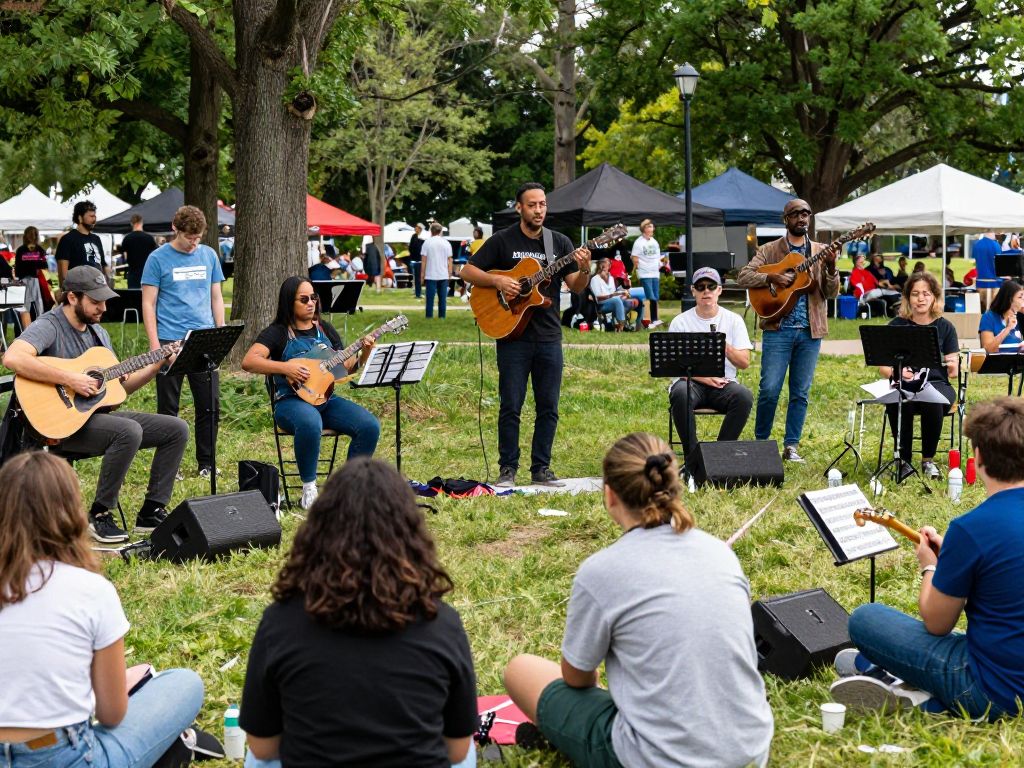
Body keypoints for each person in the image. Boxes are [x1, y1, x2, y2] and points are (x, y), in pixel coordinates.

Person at [503, 433, 774, 768]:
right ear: (674, 487)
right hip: (750, 748)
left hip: (658, 758)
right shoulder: (721, 553)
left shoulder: (601, 571)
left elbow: (578, 678)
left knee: (520, 669)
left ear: (609, 495)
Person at [239, 458, 477, 768]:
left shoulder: (280, 620)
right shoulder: (442, 622)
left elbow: (262, 746)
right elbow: (457, 750)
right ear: (410, 533)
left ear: (318, 530)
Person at [0, 452, 204, 766]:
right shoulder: (91, 590)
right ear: (71, 511)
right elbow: (111, 715)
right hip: (64, 753)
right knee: (184, 683)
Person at [831, 397, 1024, 719]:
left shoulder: (971, 529)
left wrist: (931, 566)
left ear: (977, 456)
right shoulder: (971, 535)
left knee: (866, 619)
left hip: (992, 693)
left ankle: (910, 689)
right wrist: (956, 558)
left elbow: (937, 624)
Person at [2, 265, 189, 544]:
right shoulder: (49, 325)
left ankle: (151, 512)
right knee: (128, 431)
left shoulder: (98, 334)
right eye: (95, 301)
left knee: (176, 428)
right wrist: (71, 379)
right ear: (72, 297)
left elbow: (117, 389)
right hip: (54, 426)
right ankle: (100, 514)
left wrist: (155, 364)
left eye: (105, 300)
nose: (103, 307)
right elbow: (13, 358)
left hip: (89, 419)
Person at [462, 181, 592, 488]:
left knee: (549, 406)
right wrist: (497, 281)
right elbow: (467, 271)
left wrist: (585, 268)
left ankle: (541, 468)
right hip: (512, 336)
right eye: (532, 205)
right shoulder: (502, 240)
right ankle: (507, 468)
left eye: (542, 204)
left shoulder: (559, 242)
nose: (538, 210)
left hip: (549, 336)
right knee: (511, 405)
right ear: (519, 208)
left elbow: (575, 286)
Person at [241, 276, 380, 510]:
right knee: (309, 422)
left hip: (326, 399)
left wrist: (364, 352)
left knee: (369, 426)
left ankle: (350, 489)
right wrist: (285, 368)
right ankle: (309, 490)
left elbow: (344, 368)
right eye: (303, 299)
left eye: (313, 298)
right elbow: (249, 361)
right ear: (289, 302)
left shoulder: (324, 329)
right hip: (290, 402)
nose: (311, 303)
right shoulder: (277, 333)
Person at [736, 198, 840, 462]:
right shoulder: (770, 250)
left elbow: (831, 293)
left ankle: (791, 446)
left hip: (810, 331)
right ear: (786, 219)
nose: (801, 218)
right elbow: (743, 276)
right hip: (778, 328)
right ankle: (762, 443)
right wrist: (771, 277)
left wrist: (831, 266)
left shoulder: (820, 251)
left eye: (806, 214)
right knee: (770, 389)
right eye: (795, 214)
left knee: (800, 392)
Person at [142, 205, 225, 479]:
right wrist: (155, 346)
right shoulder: (157, 259)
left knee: (209, 405)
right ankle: (170, 465)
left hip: (203, 338)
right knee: (168, 408)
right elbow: (148, 303)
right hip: (170, 339)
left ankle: (207, 463)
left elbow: (216, 297)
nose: (193, 243)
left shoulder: (209, 255)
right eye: (189, 237)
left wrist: (220, 333)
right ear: (175, 229)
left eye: (198, 237)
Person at [876, 271, 958, 480]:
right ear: (907, 298)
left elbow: (953, 372)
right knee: (898, 399)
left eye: (926, 293)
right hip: (904, 382)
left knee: (932, 398)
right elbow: (884, 368)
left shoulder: (945, 327)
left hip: (937, 383)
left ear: (934, 297)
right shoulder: (897, 325)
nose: (921, 298)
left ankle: (927, 461)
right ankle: (903, 461)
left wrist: (953, 365)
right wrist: (898, 372)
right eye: (915, 294)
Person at [668, 267, 754, 462]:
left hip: (723, 383)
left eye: (711, 286)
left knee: (744, 396)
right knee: (680, 393)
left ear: (719, 290)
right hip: (691, 381)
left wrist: (723, 345)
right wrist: (705, 379)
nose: (706, 291)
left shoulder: (733, 320)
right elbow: (673, 365)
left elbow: (744, 362)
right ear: (693, 291)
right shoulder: (680, 322)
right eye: (700, 287)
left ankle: (719, 456)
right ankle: (693, 459)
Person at [55, 200, 110, 293]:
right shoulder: (68, 239)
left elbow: (103, 264)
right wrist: (65, 291)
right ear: (80, 218)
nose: (94, 219)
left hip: (99, 289)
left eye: (95, 216)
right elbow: (63, 271)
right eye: (91, 216)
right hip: (79, 291)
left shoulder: (96, 239)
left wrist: (108, 282)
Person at [631, 218, 664, 328]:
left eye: (652, 226)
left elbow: (658, 256)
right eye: (649, 226)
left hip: (655, 273)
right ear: (644, 229)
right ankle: (651, 320)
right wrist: (639, 269)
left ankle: (655, 319)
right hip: (645, 273)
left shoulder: (654, 241)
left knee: (655, 296)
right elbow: (634, 258)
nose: (652, 228)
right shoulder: (639, 242)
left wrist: (661, 263)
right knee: (650, 296)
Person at [14, 225, 47, 327]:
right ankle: (40, 327)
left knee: (24, 306)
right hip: (36, 280)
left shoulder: (21, 250)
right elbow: (44, 265)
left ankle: (25, 329)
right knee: (39, 305)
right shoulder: (39, 249)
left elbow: (17, 269)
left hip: (24, 281)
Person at [978, 279, 1024, 354]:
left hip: (1017, 360)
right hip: (997, 360)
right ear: (1009, 300)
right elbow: (988, 350)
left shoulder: (1019, 316)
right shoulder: (988, 317)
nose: (1023, 300)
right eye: (1020, 297)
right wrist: (1007, 329)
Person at [589, 257, 632, 332]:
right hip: (601, 304)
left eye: (609, 265)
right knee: (617, 301)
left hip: (612, 301)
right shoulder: (595, 279)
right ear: (601, 266)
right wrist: (615, 295)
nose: (609, 268)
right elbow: (598, 297)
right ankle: (621, 326)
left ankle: (618, 325)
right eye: (608, 265)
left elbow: (613, 292)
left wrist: (623, 294)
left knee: (626, 301)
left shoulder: (611, 278)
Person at [421, 222, 453, 319]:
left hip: (430, 274)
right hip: (443, 274)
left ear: (431, 231)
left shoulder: (427, 243)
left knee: (430, 298)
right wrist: (449, 273)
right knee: (442, 298)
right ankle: (442, 316)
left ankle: (429, 316)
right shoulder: (446, 243)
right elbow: (450, 260)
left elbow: (424, 260)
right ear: (440, 231)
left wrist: (422, 274)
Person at [121, 215, 158, 289]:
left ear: (131, 223)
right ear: (142, 223)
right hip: (148, 275)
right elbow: (155, 256)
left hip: (133, 274)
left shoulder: (127, 238)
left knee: (133, 295)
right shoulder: (149, 238)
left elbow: (125, 257)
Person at [973, 232, 1002, 310]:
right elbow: (999, 264)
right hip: (995, 282)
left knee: (981, 309)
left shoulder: (976, 244)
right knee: (993, 310)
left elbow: (975, 262)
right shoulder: (996, 245)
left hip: (980, 282)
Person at [407, 223, 425, 298]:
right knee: (416, 277)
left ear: (420, 229)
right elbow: (411, 247)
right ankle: (417, 292)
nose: (415, 229)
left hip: (421, 260)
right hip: (414, 259)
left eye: (417, 227)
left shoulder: (423, 237)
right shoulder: (413, 236)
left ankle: (419, 292)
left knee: (420, 277)